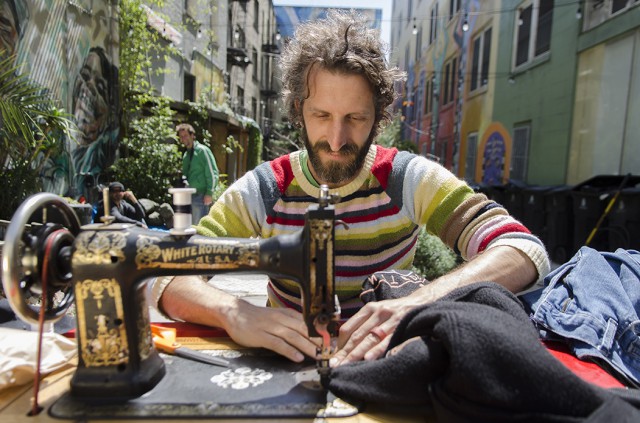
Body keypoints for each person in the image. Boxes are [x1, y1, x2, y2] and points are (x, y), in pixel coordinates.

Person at [150, 10, 549, 366]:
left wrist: (418, 303)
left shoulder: (404, 179)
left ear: (379, 117)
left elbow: (523, 250)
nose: (337, 140)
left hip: (382, 361)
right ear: (298, 113)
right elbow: (169, 276)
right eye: (321, 115)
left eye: (355, 118)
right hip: (286, 360)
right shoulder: (267, 189)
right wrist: (233, 313)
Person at [176, 123, 219, 223]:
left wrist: (209, 192)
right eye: (181, 137)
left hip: (201, 196)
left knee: (198, 229)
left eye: (185, 135)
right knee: (189, 228)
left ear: (192, 135)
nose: (183, 138)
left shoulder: (202, 151)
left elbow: (213, 173)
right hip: (189, 196)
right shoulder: (186, 154)